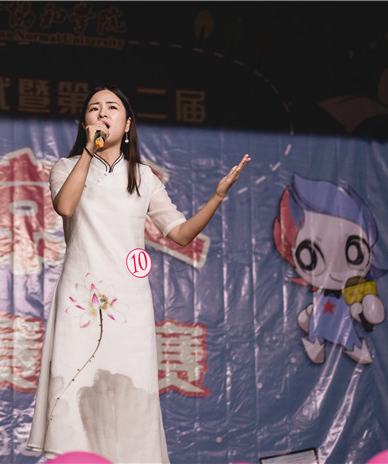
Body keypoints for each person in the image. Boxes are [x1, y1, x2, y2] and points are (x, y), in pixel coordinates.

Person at [27, 84, 250, 463]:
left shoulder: (143, 177)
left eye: (112, 107)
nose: (102, 113)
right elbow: (65, 206)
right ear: (84, 123)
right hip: (80, 304)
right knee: (76, 392)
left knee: (129, 397)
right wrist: (89, 151)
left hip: (129, 306)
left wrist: (217, 197)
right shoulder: (65, 167)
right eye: (94, 108)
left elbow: (180, 233)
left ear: (128, 124)